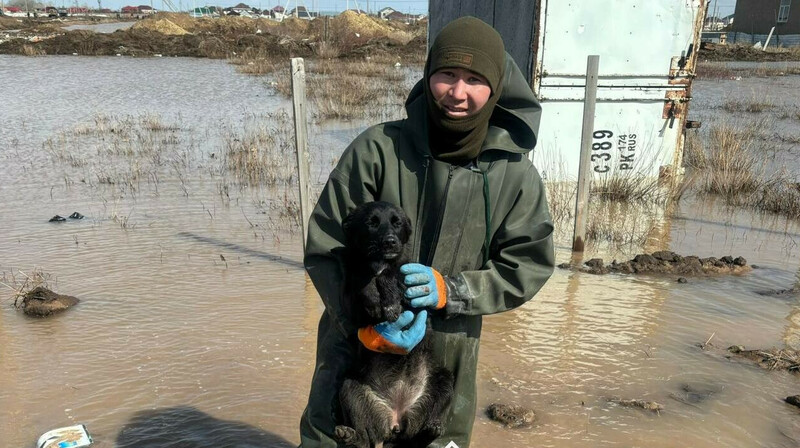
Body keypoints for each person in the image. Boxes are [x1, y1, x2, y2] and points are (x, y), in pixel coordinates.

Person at [299, 16, 555, 448]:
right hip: (354, 359)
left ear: (496, 86)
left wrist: (452, 291)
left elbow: (527, 265)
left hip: (441, 363)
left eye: (474, 79)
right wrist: (358, 322)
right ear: (428, 76)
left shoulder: (517, 176)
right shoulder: (377, 149)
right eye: (447, 75)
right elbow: (326, 247)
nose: (458, 92)